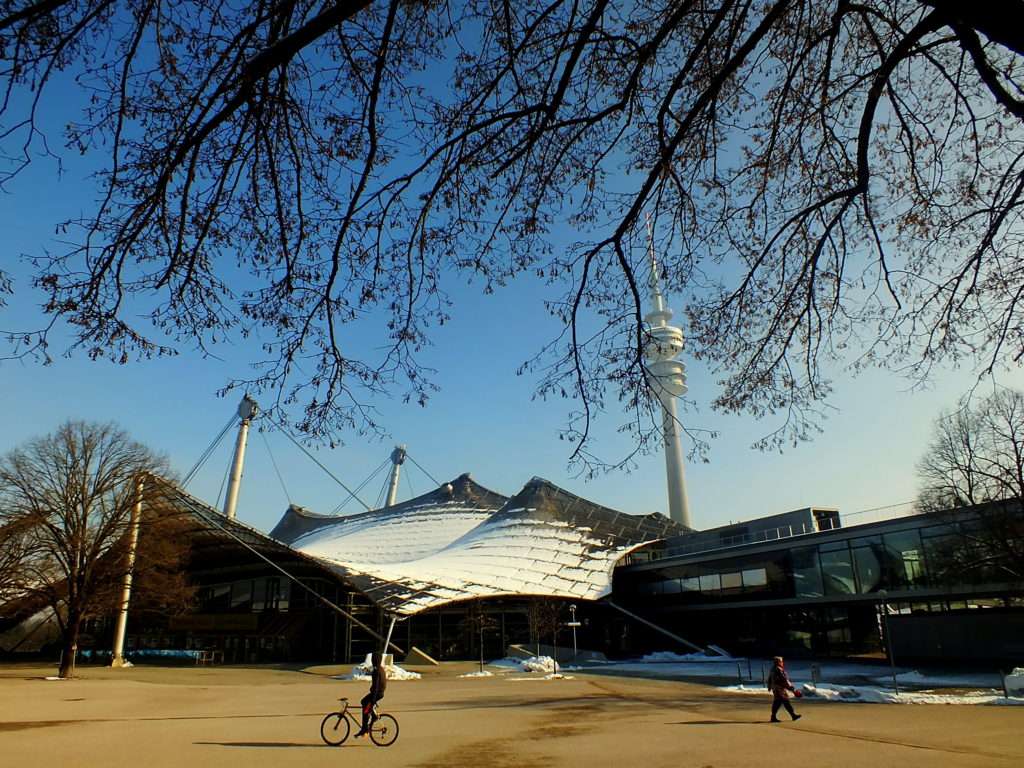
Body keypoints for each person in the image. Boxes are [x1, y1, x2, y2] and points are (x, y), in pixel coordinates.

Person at [355, 651, 388, 737]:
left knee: (366, 707)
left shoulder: (377, 671)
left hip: (376, 694)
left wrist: (373, 700)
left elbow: (376, 686)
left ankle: (364, 729)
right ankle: (372, 717)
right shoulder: (380, 669)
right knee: (364, 702)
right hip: (378, 693)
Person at [766, 656, 802, 722]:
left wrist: (769, 686)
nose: (782, 662)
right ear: (779, 662)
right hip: (780, 689)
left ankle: (775, 716)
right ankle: (792, 715)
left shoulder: (773, 669)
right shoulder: (779, 669)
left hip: (776, 688)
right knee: (784, 701)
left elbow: (769, 678)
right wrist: (792, 688)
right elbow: (784, 679)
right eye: (781, 661)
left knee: (779, 702)